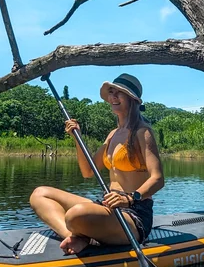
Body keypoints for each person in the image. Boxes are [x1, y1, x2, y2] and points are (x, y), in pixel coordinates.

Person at [29, 73, 164, 255]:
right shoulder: (112, 135)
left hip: (133, 214)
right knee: (40, 194)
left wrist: (130, 198)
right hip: (107, 205)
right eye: (111, 92)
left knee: (75, 214)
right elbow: (87, 172)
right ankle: (75, 236)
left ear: (132, 99)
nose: (113, 97)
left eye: (120, 93)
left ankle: (81, 233)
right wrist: (77, 138)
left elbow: (158, 178)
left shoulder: (142, 132)